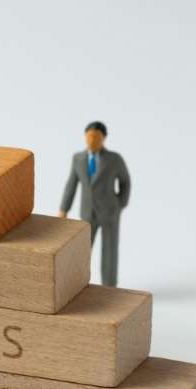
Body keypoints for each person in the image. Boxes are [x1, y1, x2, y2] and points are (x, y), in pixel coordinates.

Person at [58, 121, 131, 287]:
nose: (92, 140)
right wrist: (64, 209)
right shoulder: (78, 158)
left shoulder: (114, 159)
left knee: (109, 250)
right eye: (89, 136)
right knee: (83, 250)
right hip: (87, 212)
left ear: (103, 138)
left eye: (96, 137)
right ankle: (77, 285)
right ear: (85, 137)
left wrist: (120, 204)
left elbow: (125, 181)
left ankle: (109, 286)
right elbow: (71, 184)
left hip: (109, 213)